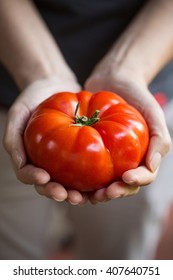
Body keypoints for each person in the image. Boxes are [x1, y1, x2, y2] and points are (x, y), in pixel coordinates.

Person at [0, 0, 172, 259]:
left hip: (146, 85)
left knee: (118, 259)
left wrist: (128, 69)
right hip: (12, 89)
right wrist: (42, 74)